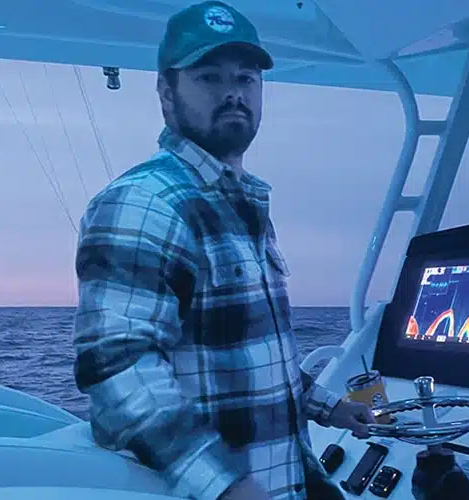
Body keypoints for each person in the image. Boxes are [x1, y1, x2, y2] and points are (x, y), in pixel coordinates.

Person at [72, 2, 374, 499]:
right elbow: (118, 369)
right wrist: (225, 486)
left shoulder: (243, 202)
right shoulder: (144, 203)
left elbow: (252, 357)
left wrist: (328, 407)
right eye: (209, 77)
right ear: (167, 93)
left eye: (246, 78)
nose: (233, 92)